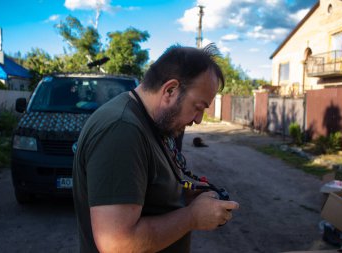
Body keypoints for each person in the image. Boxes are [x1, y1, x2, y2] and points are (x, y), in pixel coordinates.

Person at [72, 44, 239, 253]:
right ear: (170, 90)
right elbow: (118, 244)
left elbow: (146, 191)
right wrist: (192, 217)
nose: (198, 120)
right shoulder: (121, 129)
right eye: (198, 107)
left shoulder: (151, 122)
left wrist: (180, 195)